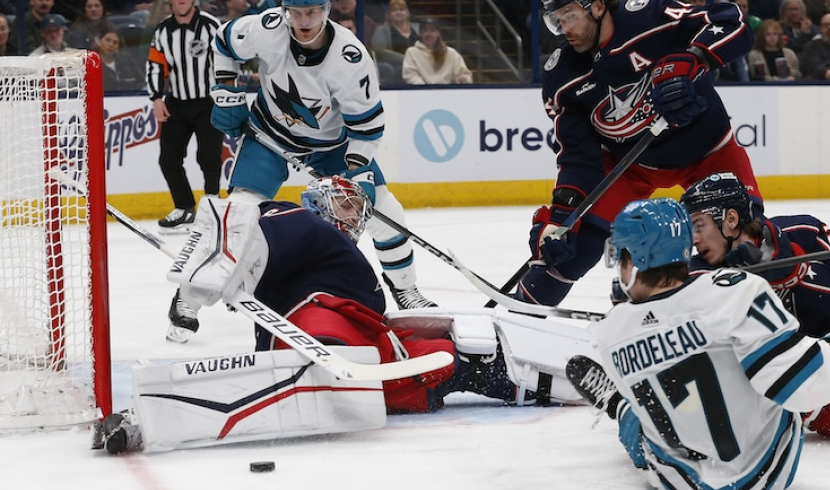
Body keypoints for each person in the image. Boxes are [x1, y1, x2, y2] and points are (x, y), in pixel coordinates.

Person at [94, 177, 591, 454]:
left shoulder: (318, 243)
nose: (352, 217)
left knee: (468, 348)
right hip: (323, 334)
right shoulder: (306, 223)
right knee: (461, 354)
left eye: (356, 209)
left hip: (328, 338)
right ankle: (575, 375)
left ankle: (572, 376)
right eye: (344, 206)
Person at [569, 197, 830, 489]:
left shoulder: (610, 331)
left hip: (683, 482)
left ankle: (617, 404)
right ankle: (620, 404)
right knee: (780, 364)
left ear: (633, 258)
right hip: (766, 470)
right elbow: (805, 385)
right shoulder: (735, 291)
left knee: (642, 434)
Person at [514, 0, 760, 308]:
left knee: (743, 236)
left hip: (709, 150)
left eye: (570, 17)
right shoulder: (562, 77)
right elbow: (578, 158)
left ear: (599, 6)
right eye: (557, 21)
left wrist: (695, 58)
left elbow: (731, 21)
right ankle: (517, 319)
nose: (565, 30)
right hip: (631, 166)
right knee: (571, 248)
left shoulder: (649, 16)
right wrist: (561, 219)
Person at [205, 0, 437, 325]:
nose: (303, 21)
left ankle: (406, 288)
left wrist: (359, 171)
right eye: (295, 13)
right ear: (284, 11)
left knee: (386, 213)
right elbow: (223, 41)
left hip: (332, 147)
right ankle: (199, 289)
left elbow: (366, 129)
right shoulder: (267, 28)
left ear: (326, 10)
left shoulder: (350, 58)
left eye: (311, 12)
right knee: (240, 211)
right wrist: (226, 90)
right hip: (269, 136)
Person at [679, 171, 830, 443]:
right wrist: (743, 285)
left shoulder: (804, 231)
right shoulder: (697, 276)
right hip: (809, 388)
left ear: (730, 219)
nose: (694, 240)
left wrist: (792, 271)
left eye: (699, 225)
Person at [146, 0, 223, 233]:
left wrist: (224, 94)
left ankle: (212, 205)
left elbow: (224, 60)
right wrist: (156, 98)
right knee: (168, 160)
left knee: (208, 157)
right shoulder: (162, 30)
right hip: (176, 103)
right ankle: (184, 208)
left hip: (208, 102)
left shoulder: (211, 25)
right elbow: (155, 64)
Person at [401, 17, 473, 85]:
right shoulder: (412, 52)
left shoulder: (451, 53)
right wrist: (425, 89)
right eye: (425, 30)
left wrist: (464, 79)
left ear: (438, 33)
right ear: (420, 33)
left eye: (432, 30)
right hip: (422, 93)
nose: (428, 34)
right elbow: (410, 75)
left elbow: (464, 74)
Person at [370, 0, 419, 78]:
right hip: (395, 65)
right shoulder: (381, 30)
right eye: (394, 10)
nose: (398, 12)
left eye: (401, 10)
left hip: (419, 64)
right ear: (389, 14)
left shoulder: (417, 29)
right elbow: (380, 50)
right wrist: (406, 59)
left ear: (407, 13)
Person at [96, 27, 144, 91]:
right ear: (99, 42)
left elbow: (142, 81)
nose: (111, 44)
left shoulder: (126, 60)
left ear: (118, 47)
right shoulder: (91, 63)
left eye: (115, 42)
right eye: (107, 40)